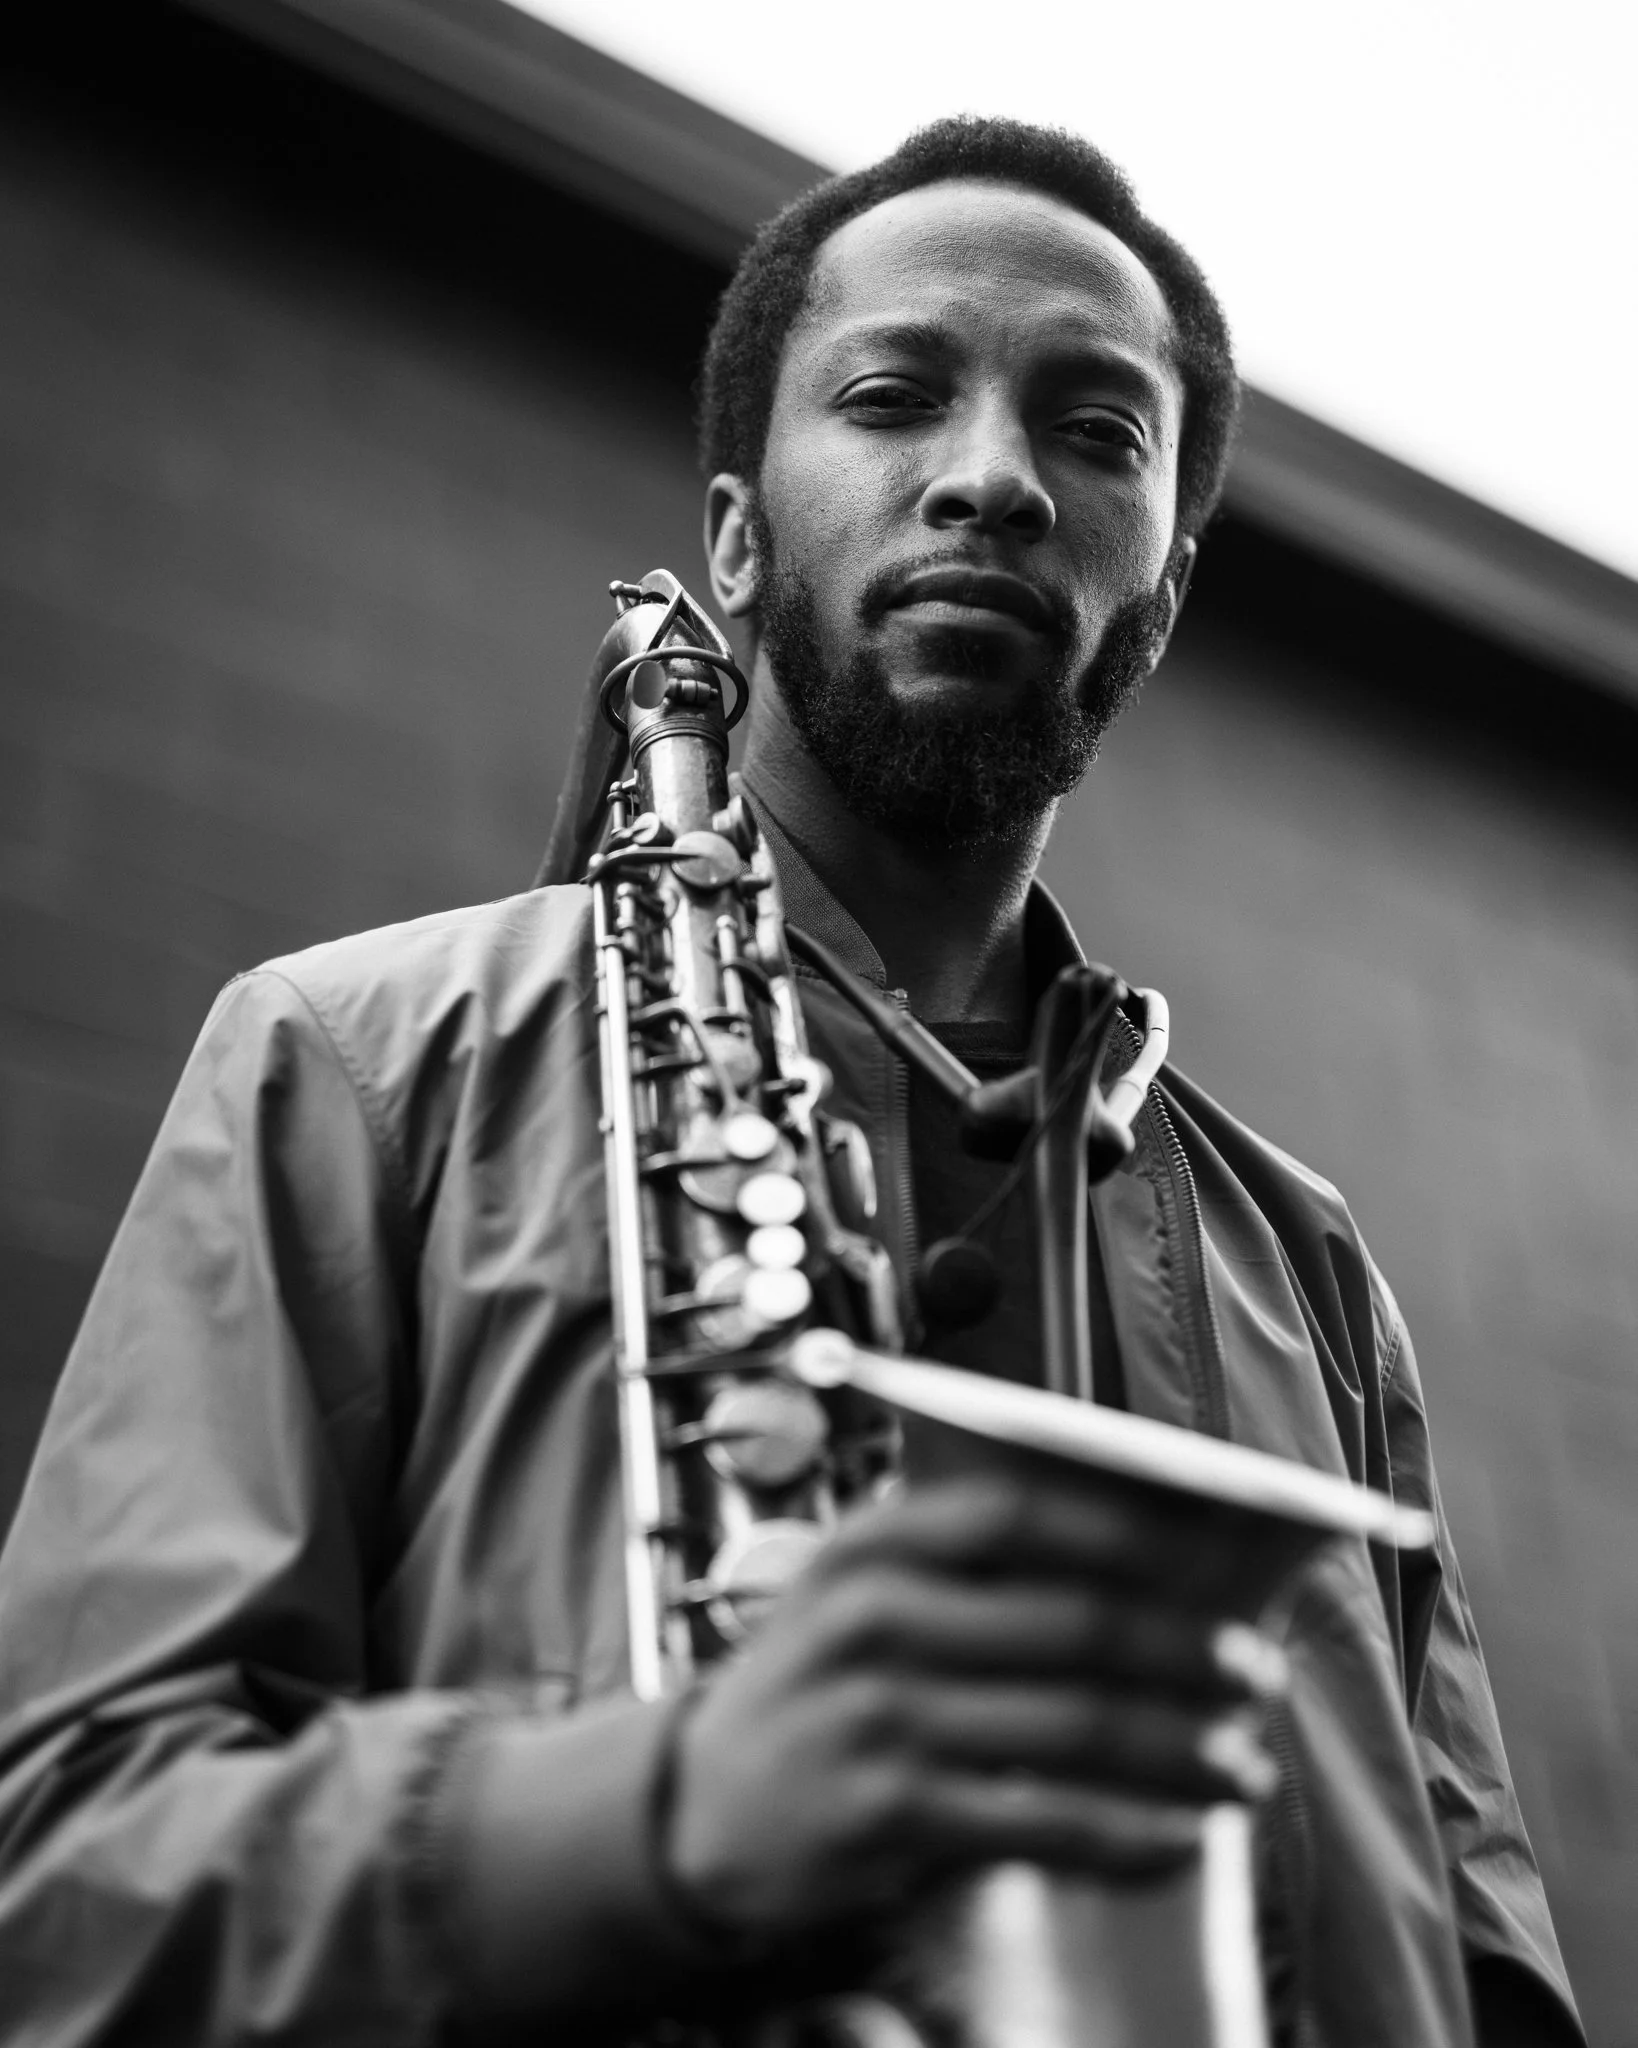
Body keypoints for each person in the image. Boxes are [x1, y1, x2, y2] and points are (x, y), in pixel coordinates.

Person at [0, 117, 1581, 2047]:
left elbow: (1489, 1983)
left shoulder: (1312, 1270)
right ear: (737, 542)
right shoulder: (351, 1058)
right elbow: (56, 1888)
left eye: (1097, 432)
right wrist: (661, 1818)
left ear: (1158, 597)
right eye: (896, 395)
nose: (989, 481)